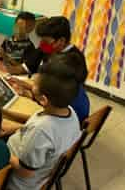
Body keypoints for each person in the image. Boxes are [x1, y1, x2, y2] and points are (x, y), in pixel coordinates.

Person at [6, 55, 82, 190]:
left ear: (43, 100)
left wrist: (2, 152)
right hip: (37, 169)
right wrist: (6, 113)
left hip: (16, 182)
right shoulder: (69, 111)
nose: (32, 83)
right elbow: (36, 122)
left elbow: (25, 172)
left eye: (34, 84)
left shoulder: (41, 131)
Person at [5, 16, 90, 122]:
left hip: (66, 115)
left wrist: (29, 94)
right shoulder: (49, 48)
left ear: (61, 41)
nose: (42, 44)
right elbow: (27, 70)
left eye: (46, 41)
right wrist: (23, 83)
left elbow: (55, 100)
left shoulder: (72, 62)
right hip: (57, 105)